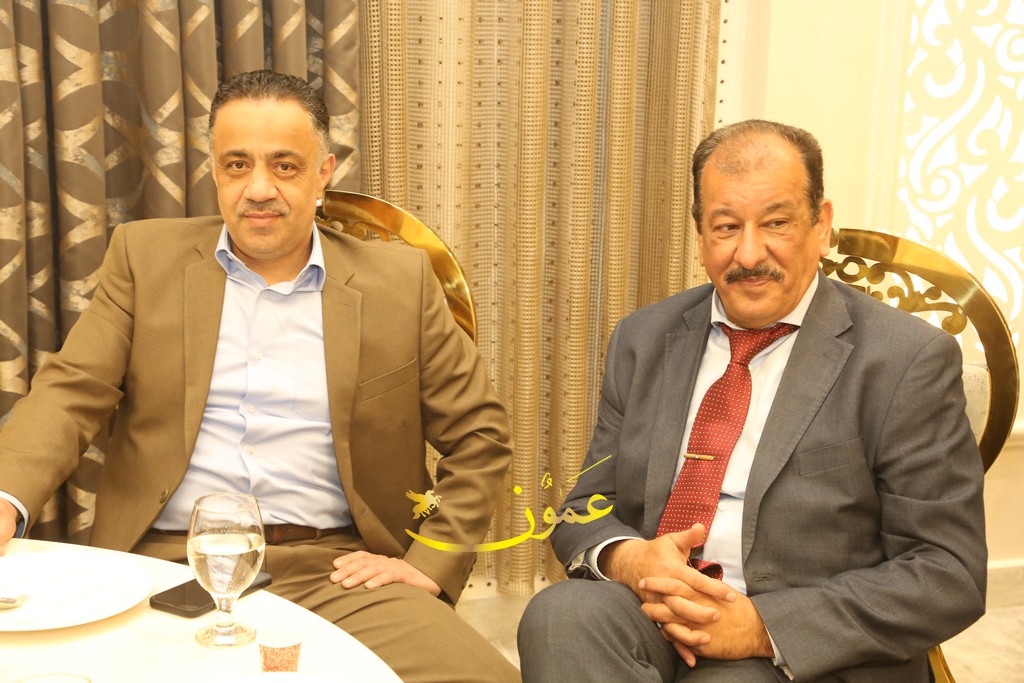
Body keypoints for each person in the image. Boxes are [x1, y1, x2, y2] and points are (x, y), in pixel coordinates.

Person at [0, 70, 520, 683]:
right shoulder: (145, 259)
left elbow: (480, 438)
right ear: (215, 171)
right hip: (170, 564)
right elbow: (70, 392)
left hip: (340, 570)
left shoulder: (400, 283)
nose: (259, 189)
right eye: (237, 165)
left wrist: (430, 562)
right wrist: (5, 498)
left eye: (285, 166)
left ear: (324, 173)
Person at [517, 119, 986, 682]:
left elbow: (948, 573)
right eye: (726, 226)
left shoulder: (905, 360)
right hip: (656, 610)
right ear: (699, 235)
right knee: (558, 617)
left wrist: (762, 626)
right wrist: (629, 557)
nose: (748, 252)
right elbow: (584, 509)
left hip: (808, 642)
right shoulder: (642, 338)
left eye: (776, 223)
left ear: (821, 225)